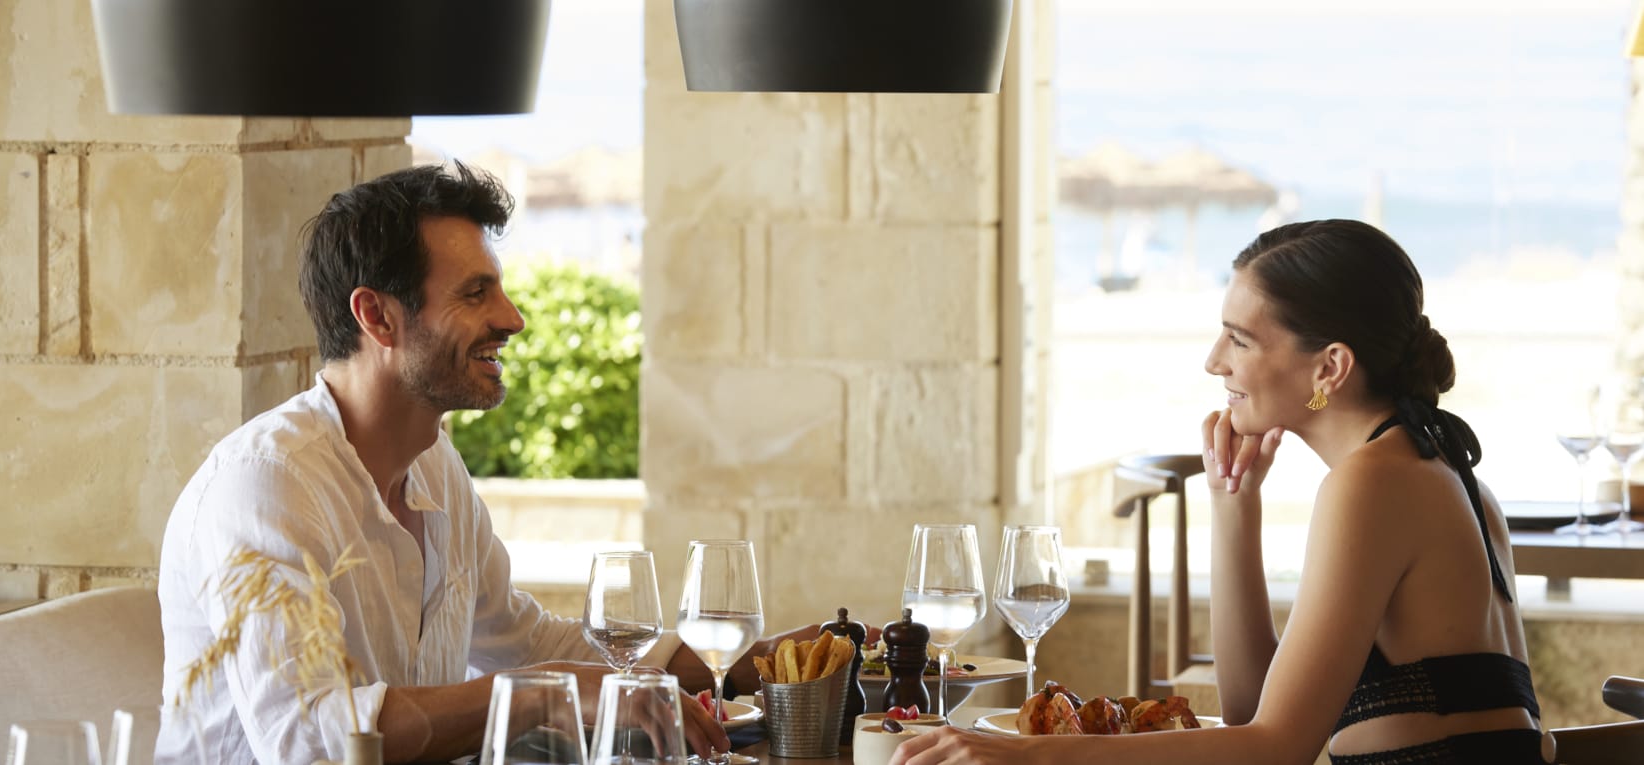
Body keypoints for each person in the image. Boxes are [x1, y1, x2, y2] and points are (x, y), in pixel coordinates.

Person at [156, 162, 810, 764]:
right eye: (476, 293)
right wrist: (536, 695)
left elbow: (534, 646)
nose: (513, 318)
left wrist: (766, 661)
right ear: (377, 316)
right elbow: (309, 739)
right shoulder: (267, 484)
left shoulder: (433, 462)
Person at [892, 220, 1543, 765]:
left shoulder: (1371, 481)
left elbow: (1275, 748)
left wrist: (1020, 755)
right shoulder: (1449, 471)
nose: (1214, 360)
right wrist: (1234, 506)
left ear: (1330, 367)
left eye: (1239, 338)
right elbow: (1251, 713)